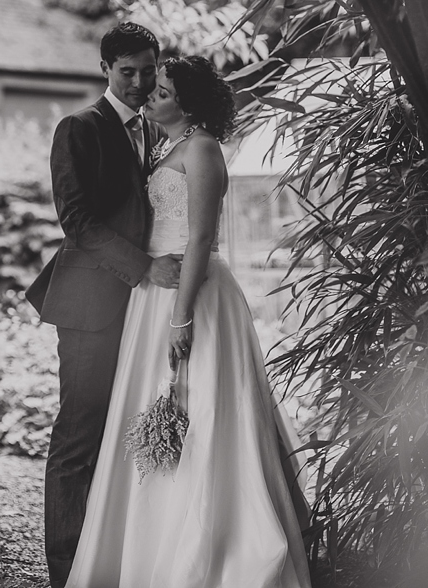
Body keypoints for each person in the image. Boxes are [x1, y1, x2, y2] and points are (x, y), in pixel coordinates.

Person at [67, 55, 312, 588]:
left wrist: (180, 318)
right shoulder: (169, 148)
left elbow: (200, 237)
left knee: (201, 410)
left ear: (190, 102)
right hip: (155, 292)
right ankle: (146, 544)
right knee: (155, 406)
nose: (152, 93)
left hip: (192, 296)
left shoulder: (202, 150)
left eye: (164, 88)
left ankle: (213, 547)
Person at [25, 22, 182, 588]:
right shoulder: (80, 128)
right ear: (105, 70)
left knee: (127, 432)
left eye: (147, 70)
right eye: (127, 72)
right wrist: (145, 268)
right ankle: (66, 573)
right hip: (93, 305)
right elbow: (78, 221)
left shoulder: (157, 130)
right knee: (78, 438)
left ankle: (111, 559)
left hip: (145, 311)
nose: (139, 82)